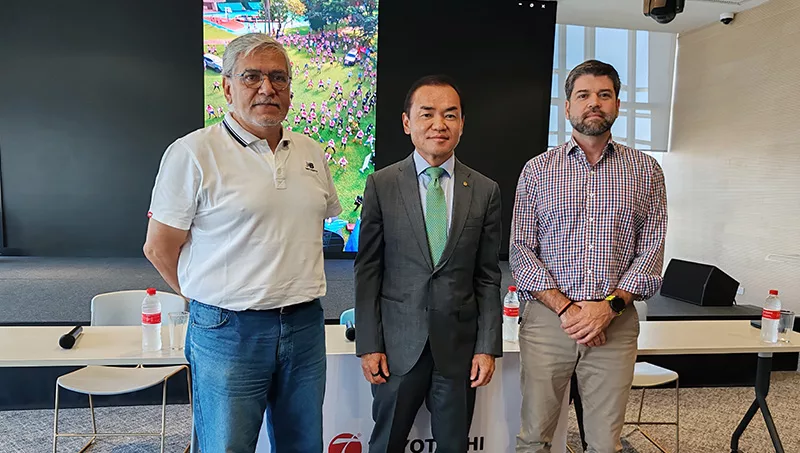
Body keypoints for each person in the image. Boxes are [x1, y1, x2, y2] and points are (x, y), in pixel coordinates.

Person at [143, 33, 341, 453]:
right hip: (228, 331)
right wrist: (208, 301)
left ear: (290, 88)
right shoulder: (193, 152)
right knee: (226, 446)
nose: (267, 88)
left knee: (304, 445)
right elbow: (159, 247)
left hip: (304, 325)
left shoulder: (311, 151)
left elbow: (312, 221)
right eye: (252, 77)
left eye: (278, 78)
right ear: (227, 87)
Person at [510, 60, 668, 453]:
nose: (593, 103)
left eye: (604, 95)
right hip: (549, 323)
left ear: (617, 105)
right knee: (534, 438)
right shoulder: (537, 171)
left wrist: (607, 309)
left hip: (615, 325)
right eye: (583, 95)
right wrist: (568, 310)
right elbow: (521, 250)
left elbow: (651, 251)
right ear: (567, 107)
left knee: (604, 444)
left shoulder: (646, 171)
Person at [355, 75, 503, 453]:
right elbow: (368, 270)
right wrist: (369, 344)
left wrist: (487, 347)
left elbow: (487, 277)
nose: (439, 124)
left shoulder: (484, 190)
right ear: (407, 123)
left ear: (462, 124)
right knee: (385, 445)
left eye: (450, 115)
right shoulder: (381, 185)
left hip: (457, 351)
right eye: (427, 114)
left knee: (454, 446)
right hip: (396, 350)